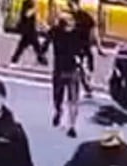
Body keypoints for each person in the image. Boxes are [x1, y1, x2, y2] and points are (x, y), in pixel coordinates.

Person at [41, 9, 86, 138]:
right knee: (59, 96)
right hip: (63, 69)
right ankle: (59, 111)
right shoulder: (57, 32)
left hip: (71, 70)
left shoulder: (75, 33)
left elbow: (84, 48)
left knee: (73, 98)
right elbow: (45, 44)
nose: (73, 23)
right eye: (70, 21)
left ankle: (71, 125)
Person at [67, 0, 103, 99]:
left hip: (85, 46)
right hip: (75, 47)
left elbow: (94, 31)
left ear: (77, 4)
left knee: (85, 67)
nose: (71, 8)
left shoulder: (85, 16)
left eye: (71, 5)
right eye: (69, 6)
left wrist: (99, 46)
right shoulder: (70, 17)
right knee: (78, 67)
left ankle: (88, 84)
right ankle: (86, 88)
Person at [7, 0, 46, 67]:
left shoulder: (32, 4)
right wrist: (34, 9)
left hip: (31, 29)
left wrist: (41, 24)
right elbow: (26, 15)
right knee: (33, 45)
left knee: (29, 45)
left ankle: (14, 59)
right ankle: (41, 60)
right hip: (27, 29)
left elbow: (35, 18)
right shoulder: (27, 3)